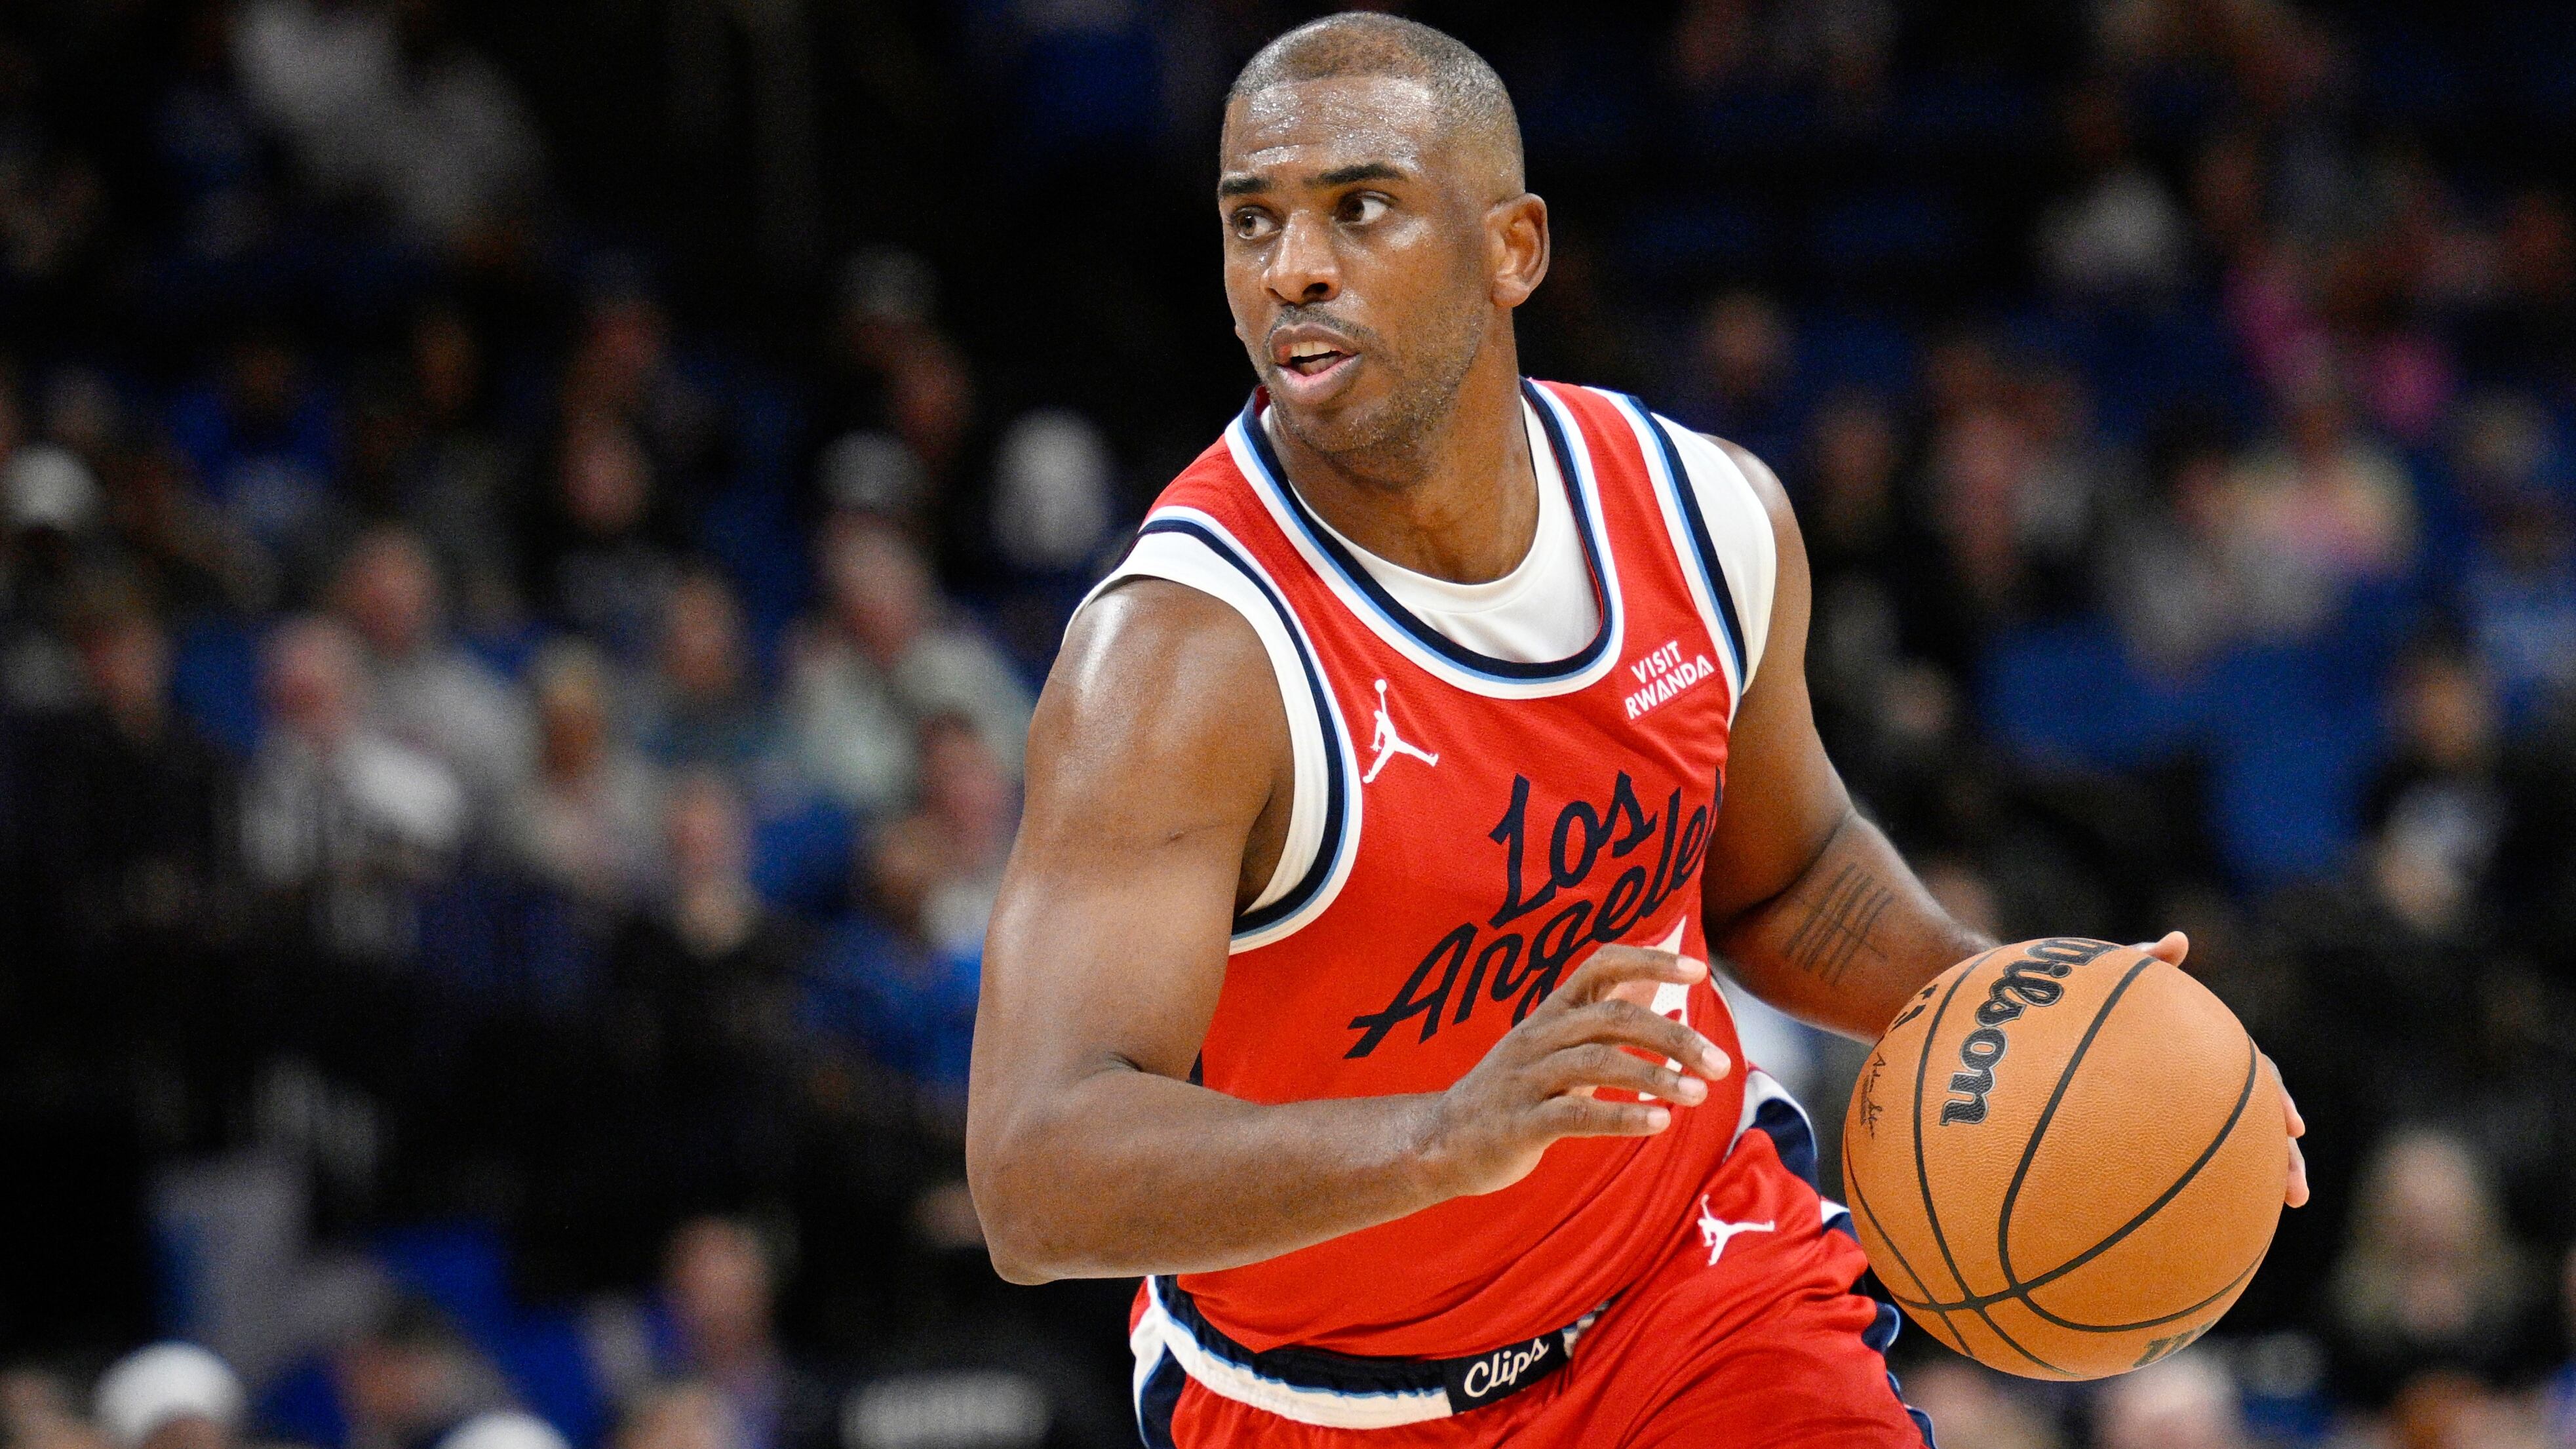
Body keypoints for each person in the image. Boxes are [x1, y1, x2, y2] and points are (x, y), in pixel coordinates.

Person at [963, 16, 2309, 1448]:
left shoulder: (1704, 515)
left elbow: (1785, 881)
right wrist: (1447, 1135)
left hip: (1697, 1292)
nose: (1292, 266)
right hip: (1327, 1396)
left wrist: (2054, 1026)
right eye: (1253, 220)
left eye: (1359, 207)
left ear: (1513, 249)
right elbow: (1037, 1173)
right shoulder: (1182, 663)